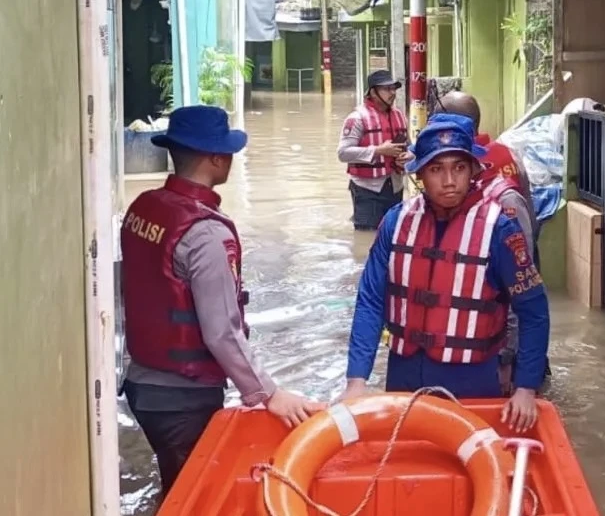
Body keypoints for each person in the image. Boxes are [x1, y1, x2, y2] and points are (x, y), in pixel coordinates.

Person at [120, 105, 324, 498]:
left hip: (142, 385)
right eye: (228, 152)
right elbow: (222, 332)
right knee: (197, 498)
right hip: (183, 397)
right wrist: (269, 394)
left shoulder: (143, 208)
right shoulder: (207, 234)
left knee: (176, 487)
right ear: (216, 159)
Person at [338, 119, 550, 432]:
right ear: (420, 174)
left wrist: (525, 387)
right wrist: (357, 380)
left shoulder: (499, 229)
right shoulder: (396, 222)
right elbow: (371, 300)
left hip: (472, 378)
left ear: (473, 170)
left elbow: (533, 312)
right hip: (404, 373)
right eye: (437, 169)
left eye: (459, 168)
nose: (449, 181)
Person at [430, 91, 553, 392]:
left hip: (501, 333)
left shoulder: (495, 187)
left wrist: (508, 356)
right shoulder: (506, 154)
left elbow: (513, 282)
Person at [338, 70, 410, 230]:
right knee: (367, 234)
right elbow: (343, 153)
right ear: (373, 92)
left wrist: (407, 156)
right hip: (367, 189)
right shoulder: (356, 118)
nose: (392, 93)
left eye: (393, 88)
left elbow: (409, 146)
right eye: (387, 89)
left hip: (395, 186)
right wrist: (378, 151)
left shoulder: (400, 116)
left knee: (392, 232)